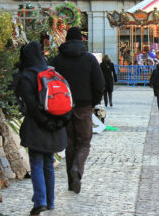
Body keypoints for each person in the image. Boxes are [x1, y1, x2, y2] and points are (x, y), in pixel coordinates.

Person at [15, 42, 70, 215]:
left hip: (37, 126)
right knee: (48, 163)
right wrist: (57, 122)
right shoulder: (53, 73)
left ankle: (40, 201)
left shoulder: (26, 75)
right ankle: (51, 201)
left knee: (37, 163)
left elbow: (30, 105)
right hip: (55, 126)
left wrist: (44, 121)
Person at [49, 27, 104, 194]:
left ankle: (71, 182)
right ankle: (77, 170)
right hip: (84, 105)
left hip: (63, 106)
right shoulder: (89, 59)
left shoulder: (57, 60)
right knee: (84, 142)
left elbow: (49, 82)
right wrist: (94, 102)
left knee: (70, 143)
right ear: (81, 39)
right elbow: (99, 83)